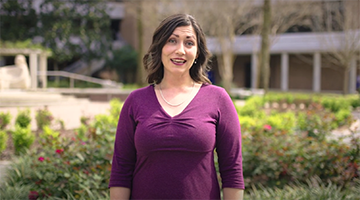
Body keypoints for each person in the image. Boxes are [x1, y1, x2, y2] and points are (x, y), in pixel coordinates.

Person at [109, 13, 244, 200]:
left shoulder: (218, 98)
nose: (180, 50)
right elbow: (121, 170)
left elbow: (232, 171)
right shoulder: (135, 101)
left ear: (197, 52)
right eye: (172, 41)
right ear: (160, 47)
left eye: (189, 43)